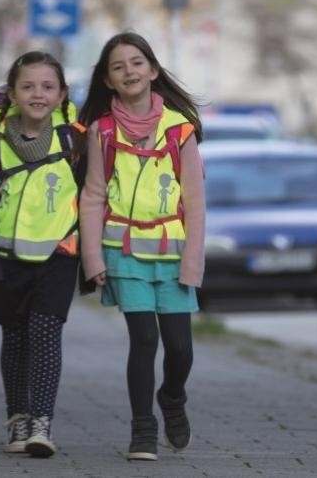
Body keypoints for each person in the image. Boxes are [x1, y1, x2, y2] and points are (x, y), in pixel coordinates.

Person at [77, 31, 205, 462]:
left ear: (152, 70)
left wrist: (193, 263)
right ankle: (142, 430)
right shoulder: (102, 132)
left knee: (181, 348)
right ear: (108, 81)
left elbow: (195, 202)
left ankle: (172, 397)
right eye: (118, 66)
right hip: (125, 252)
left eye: (136, 62)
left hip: (173, 252)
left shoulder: (179, 131)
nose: (128, 71)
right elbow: (93, 196)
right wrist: (93, 258)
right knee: (144, 339)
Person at [0, 51, 85, 458]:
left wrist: (96, 259)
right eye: (28, 86)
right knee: (14, 339)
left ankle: (41, 424)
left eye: (48, 87)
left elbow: (93, 199)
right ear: (11, 93)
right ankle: (17, 417)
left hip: (58, 256)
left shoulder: (75, 141)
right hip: (5, 260)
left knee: (46, 334)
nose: (38, 94)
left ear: (62, 94)